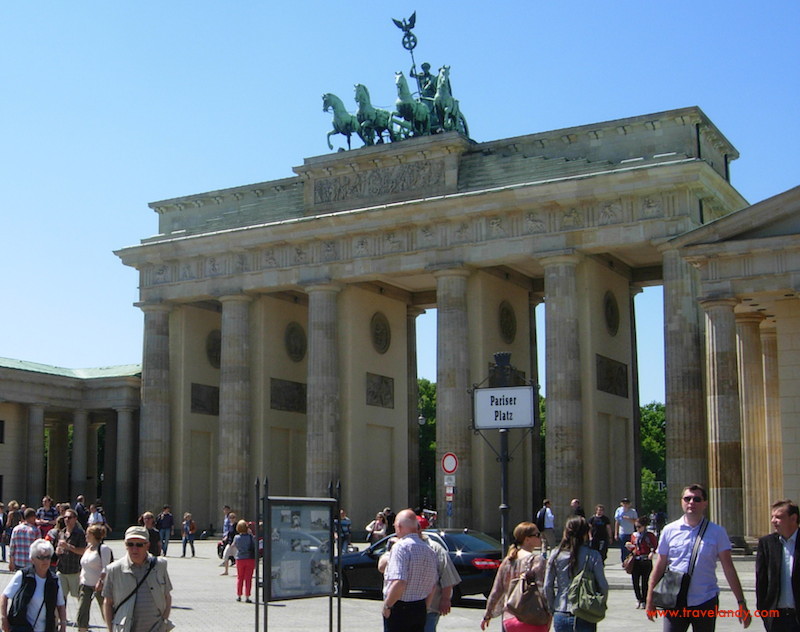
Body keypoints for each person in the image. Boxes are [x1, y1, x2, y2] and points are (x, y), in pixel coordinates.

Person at [645, 483, 751, 631]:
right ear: (681, 501)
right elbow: (659, 565)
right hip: (674, 599)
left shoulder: (717, 532)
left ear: (705, 503)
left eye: (697, 499)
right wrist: (650, 597)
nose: (691, 503)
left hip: (705, 600)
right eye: (687, 499)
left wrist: (741, 602)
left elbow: (729, 568)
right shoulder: (669, 530)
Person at [544, 516, 608, 632]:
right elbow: (603, 585)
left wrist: (552, 607)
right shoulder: (593, 555)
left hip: (561, 609)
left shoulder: (555, 554)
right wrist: (600, 604)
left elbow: (547, 586)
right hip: (585, 611)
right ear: (585, 533)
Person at [103, 525, 172, 632]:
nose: (134, 549)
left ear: (147, 545)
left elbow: (167, 596)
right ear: (125, 545)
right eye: (130, 544)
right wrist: (110, 629)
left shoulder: (159, 565)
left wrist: (164, 621)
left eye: (139, 545)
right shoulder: (114, 569)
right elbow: (108, 603)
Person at [482, 521, 548, 632]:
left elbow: (496, 591)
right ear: (527, 539)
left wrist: (487, 615)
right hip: (532, 616)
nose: (540, 537)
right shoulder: (537, 561)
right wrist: (549, 614)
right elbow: (543, 589)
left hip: (510, 618)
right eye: (537, 535)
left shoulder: (508, 561)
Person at [382, 509, 438, 632]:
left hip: (399, 607)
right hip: (419, 606)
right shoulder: (429, 550)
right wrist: (425, 607)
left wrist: (388, 605)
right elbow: (433, 585)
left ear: (399, 527)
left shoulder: (401, 547)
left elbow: (400, 582)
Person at [0, 538, 67, 632]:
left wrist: (63, 625)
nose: (45, 561)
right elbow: (4, 596)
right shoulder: (23, 575)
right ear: (32, 559)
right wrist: (4, 619)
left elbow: (61, 605)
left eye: (48, 557)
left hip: (46, 628)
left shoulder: (54, 580)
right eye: (41, 558)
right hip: (22, 628)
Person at [755, 499, 800, 632]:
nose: (773, 521)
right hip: (776, 617)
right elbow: (761, 579)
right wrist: (764, 611)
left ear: (793, 518)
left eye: (779, 517)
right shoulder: (767, 543)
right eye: (772, 517)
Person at [77, 524, 112, 632]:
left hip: (100, 587)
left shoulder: (103, 549)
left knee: (106, 611)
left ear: (93, 535)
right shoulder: (88, 547)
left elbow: (106, 567)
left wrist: (101, 581)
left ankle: (112, 628)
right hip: (85, 584)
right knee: (82, 611)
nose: (86, 536)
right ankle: (82, 629)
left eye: (88, 533)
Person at [55, 509, 87, 624]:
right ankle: (61, 619)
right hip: (62, 569)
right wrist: (57, 551)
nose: (67, 520)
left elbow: (83, 551)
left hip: (75, 570)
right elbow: (57, 548)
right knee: (60, 597)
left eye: (69, 518)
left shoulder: (80, 534)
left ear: (75, 519)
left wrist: (69, 547)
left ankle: (81, 620)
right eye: (65, 518)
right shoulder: (61, 532)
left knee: (79, 596)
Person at [625, 517, 658, 609]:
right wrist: (629, 546)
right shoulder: (634, 535)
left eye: (639, 527)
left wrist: (652, 552)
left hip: (646, 560)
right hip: (636, 560)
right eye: (636, 527)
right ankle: (638, 599)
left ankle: (644, 600)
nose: (637, 529)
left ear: (644, 526)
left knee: (645, 582)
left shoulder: (649, 535)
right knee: (635, 581)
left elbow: (655, 546)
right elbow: (633, 547)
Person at [9, 508, 41, 572]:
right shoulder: (36, 531)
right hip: (31, 563)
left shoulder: (16, 529)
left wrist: (11, 562)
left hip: (18, 561)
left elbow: (12, 547)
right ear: (33, 517)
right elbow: (38, 548)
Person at [233, 520, 256, 603]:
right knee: (248, 578)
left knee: (240, 577)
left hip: (240, 558)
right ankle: (247, 596)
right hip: (250, 559)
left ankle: (239, 595)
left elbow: (233, 545)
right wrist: (251, 533)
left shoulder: (236, 537)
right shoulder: (251, 537)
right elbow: (255, 546)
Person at [615, 498, 638, 564]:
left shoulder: (633, 511)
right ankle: (624, 562)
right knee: (623, 548)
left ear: (629, 504)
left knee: (631, 548)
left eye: (627, 503)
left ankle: (630, 561)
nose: (625, 505)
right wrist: (616, 533)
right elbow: (617, 522)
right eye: (624, 503)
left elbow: (636, 522)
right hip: (622, 532)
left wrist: (628, 519)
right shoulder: (619, 510)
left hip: (630, 532)